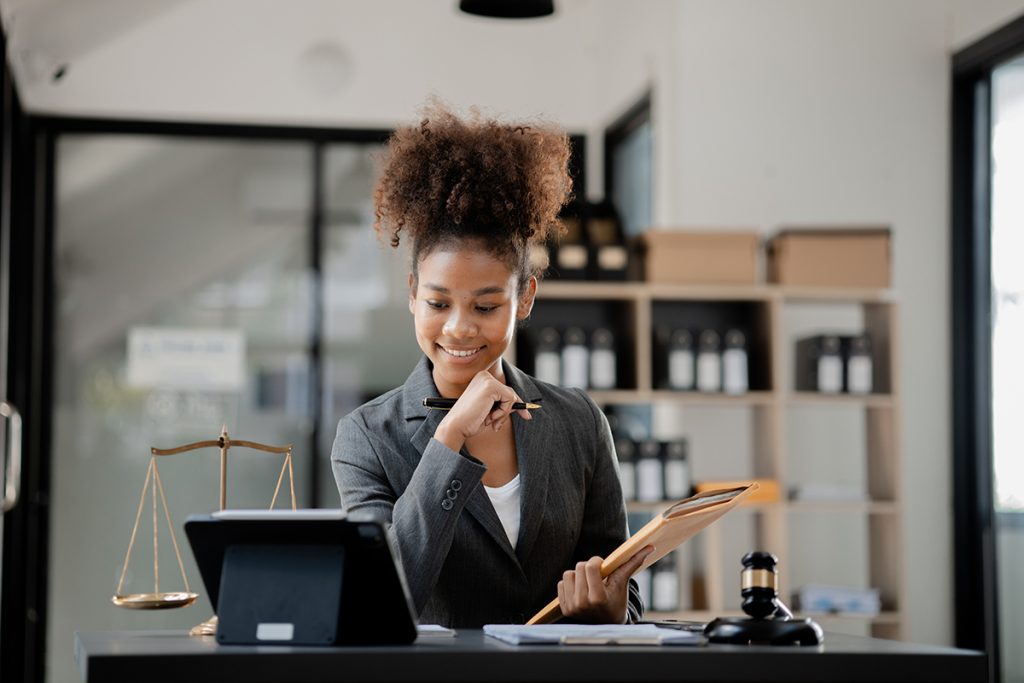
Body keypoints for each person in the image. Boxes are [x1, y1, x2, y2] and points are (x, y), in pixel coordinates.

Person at [331, 103, 651, 628]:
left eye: (485, 306)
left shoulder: (578, 421)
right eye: (438, 304)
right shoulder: (367, 437)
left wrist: (614, 607)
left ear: (524, 298)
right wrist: (450, 437)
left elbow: (621, 578)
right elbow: (384, 596)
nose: (459, 328)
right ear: (412, 294)